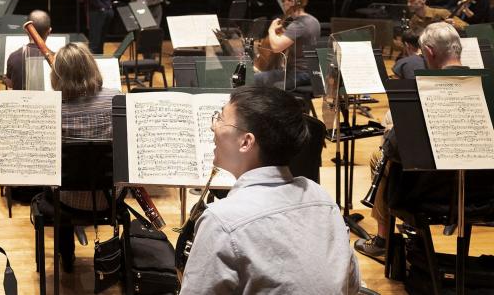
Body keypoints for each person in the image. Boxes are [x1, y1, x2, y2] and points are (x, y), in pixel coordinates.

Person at [180, 86, 360, 294]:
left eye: (220, 118)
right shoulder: (322, 198)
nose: (213, 126)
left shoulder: (222, 221)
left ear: (246, 142)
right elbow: (351, 285)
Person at [355, 22, 464, 260]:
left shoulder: (424, 89)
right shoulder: (481, 86)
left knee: (383, 157)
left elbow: (392, 148)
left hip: (435, 191)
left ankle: (384, 239)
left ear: (430, 51)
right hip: (482, 192)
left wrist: (394, 129)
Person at [47, 42, 120, 272]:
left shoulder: (52, 108)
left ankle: (66, 255)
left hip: (66, 199)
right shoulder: (117, 100)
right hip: (110, 196)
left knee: (52, 182)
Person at [250, 0, 320, 91]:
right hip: (312, 72)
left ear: (291, 2)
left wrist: (271, 29)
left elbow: (276, 47)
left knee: (253, 79)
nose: (283, 4)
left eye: (284, 1)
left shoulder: (298, 24)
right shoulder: (313, 20)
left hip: (298, 74)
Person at [4, 9, 51, 90]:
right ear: (49, 31)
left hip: (21, 102)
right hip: (50, 102)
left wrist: (5, 79)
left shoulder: (14, 57)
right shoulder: (58, 59)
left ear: (26, 30)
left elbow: (11, 84)